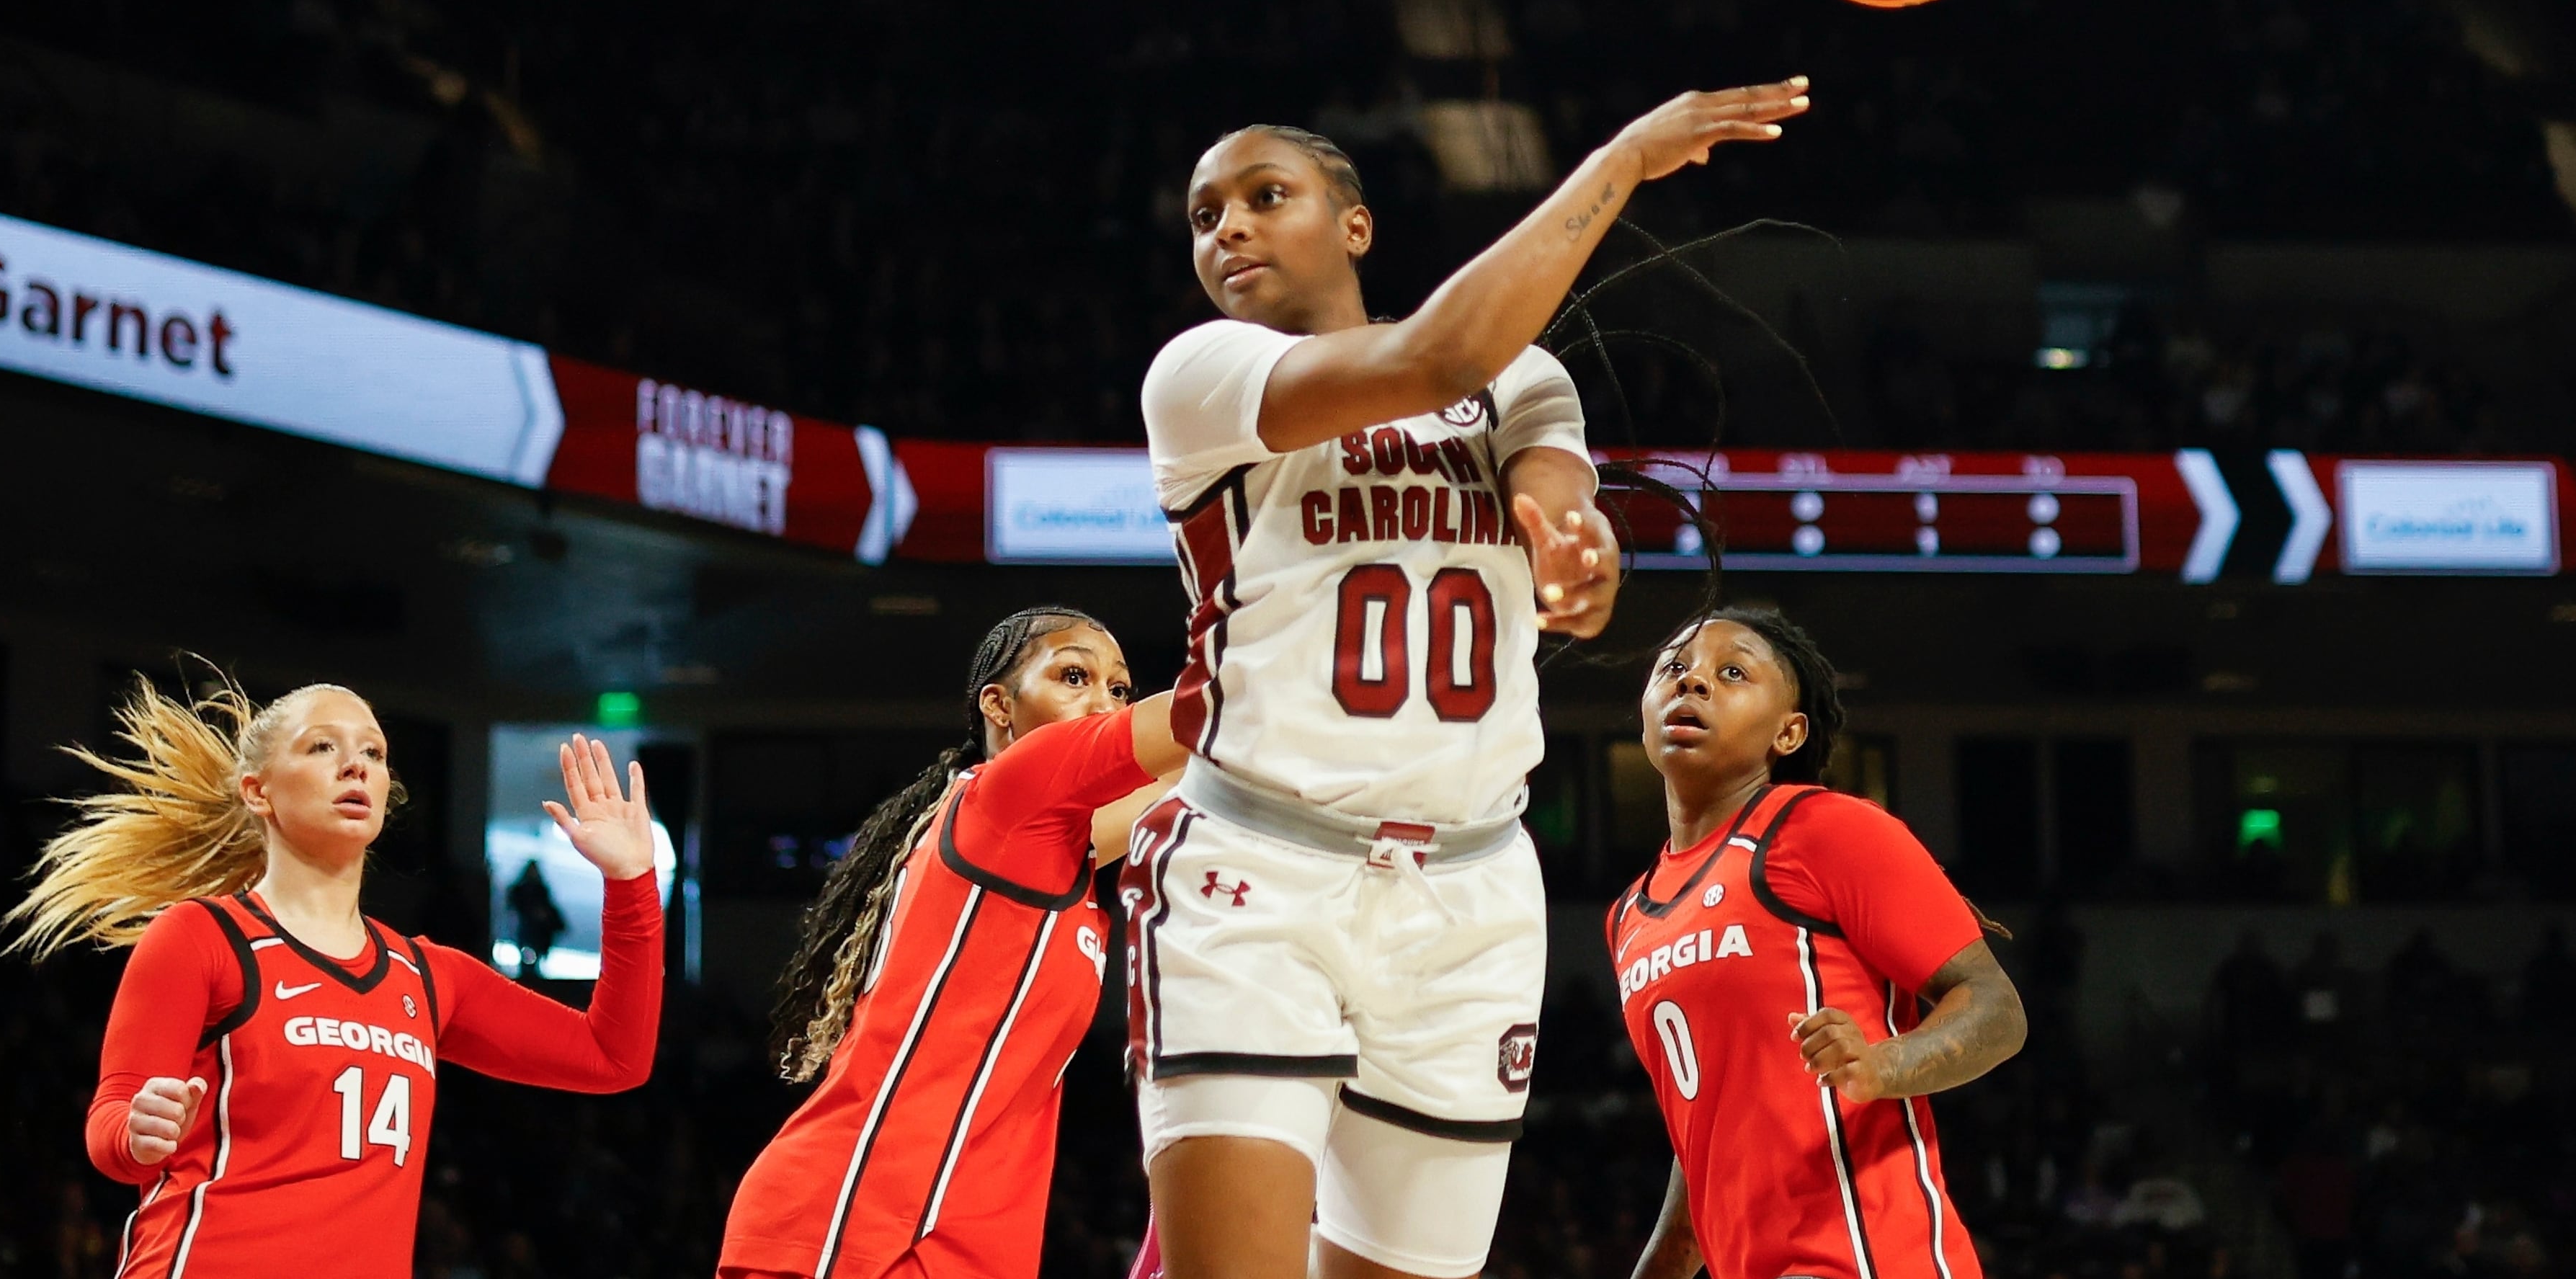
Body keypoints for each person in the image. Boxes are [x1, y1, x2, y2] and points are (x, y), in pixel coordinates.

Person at [1128, 79, 1810, 1279]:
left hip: (1469, 895)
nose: (1225, 228)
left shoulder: (1526, 381)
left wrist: (1577, 558)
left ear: (1355, 226)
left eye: (1263, 196)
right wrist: (1624, 159)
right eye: (1203, 215)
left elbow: (1557, 505)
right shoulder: (1202, 375)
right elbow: (1436, 351)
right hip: (1260, 878)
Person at [6, 677, 661, 1279]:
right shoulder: (200, 938)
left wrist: (631, 884)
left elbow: (615, 1057)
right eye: (323, 746)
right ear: (257, 791)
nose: (357, 766)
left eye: (374, 754)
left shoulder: (430, 977)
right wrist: (137, 1133)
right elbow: (110, 1130)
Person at [719, 606, 1191, 1279]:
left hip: (963, 1239)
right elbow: (1217, 707)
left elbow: (1192, 774)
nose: (1103, 703)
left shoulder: (1052, 848)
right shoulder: (1011, 796)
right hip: (853, 1224)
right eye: (1074, 677)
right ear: (999, 706)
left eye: (1119, 689)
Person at [1611, 607, 2025, 1279]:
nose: (1693, 684)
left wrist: (1883, 1065)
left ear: (1789, 731)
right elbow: (1706, 1141)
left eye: (1732, 672)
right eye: (1673, 669)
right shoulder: (1631, 914)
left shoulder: (1825, 830)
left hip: (1873, 1260)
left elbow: (1997, 1008)